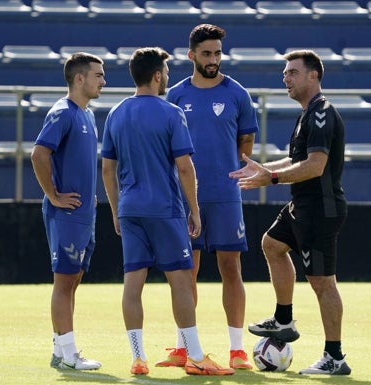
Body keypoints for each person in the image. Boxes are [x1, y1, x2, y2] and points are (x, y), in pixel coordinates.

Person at [100, 47, 235, 376]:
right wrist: (195, 210)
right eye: (167, 73)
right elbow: (185, 168)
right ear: (157, 75)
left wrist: (117, 211)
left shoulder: (115, 113)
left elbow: (107, 168)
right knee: (180, 281)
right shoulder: (172, 113)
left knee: (133, 282)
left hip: (131, 210)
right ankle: (196, 357)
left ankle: (138, 357)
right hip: (164, 209)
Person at [229, 49, 352, 376]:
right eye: (285, 73)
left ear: (313, 76)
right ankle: (283, 321)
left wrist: (271, 177)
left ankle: (335, 357)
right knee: (272, 244)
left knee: (323, 283)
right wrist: (263, 169)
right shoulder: (306, 114)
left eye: (293, 72)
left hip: (320, 210)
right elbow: (296, 160)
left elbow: (314, 166)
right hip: (302, 206)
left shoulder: (322, 113)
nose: (286, 78)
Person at [157, 23, 259, 371]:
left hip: (226, 196)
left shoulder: (238, 94)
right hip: (186, 198)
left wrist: (231, 174)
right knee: (187, 271)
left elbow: (246, 144)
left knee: (231, 268)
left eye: (217, 52)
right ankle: (184, 348)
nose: (213, 59)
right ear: (191, 56)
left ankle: (237, 350)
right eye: (206, 53)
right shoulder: (176, 95)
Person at [30, 52, 105, 370]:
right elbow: (38, 154)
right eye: (98, 75)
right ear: (80, 78)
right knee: (64, 282)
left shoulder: (86, 115)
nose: (103, 80)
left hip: (84, 213)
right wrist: (53, 195)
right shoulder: (63, 112)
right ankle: (69, 354)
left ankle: (62, 349)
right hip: (68, 214)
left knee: (72, 281)